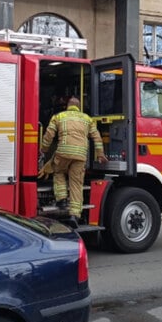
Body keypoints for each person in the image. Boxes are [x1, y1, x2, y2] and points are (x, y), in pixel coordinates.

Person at [41, 96, 108, 228]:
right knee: (76, 184)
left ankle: (61, 199)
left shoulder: (59, 117)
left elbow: (49, 134)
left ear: (68, 106)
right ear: (79, 107)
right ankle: (74, 215)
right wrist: (100, 154)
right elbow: (97, 137)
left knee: (58, 172)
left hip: (63, 153)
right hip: (80, 156)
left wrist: (43, 149)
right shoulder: (87, 119)